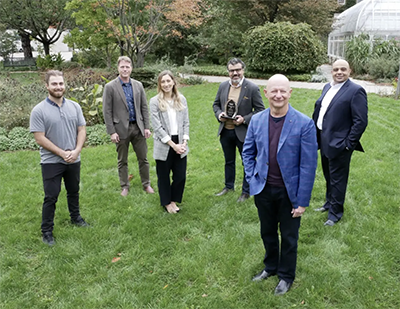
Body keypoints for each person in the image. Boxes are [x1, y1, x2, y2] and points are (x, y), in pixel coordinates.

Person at [242, 74, 318, 295]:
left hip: (290, 192)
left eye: (283, 91)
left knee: (289, 236)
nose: (278, 95)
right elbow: (248, 152)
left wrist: (302, 201)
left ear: (290, 93)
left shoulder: (304, 123)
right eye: (273, 91)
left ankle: (286, 275)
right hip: (263, 188)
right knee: (267, 232)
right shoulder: (257, 120)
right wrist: (251, 177)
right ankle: (271, 267)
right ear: (265, 93)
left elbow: (308, 166)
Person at [30, 70, 89, 246]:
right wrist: (62, 153)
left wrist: (77, 150)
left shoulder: (75, 107)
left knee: (73, 190)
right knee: (51, 196)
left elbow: (82, 130)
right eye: (54, 84)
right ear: (47, 86)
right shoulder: (39, 110)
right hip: (51, 161)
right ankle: (47, 231)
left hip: (73, 158)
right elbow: (40, 138)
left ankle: (76, 218)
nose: (58, 87)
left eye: (61, 83)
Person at [312, 59, 368, 226]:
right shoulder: (328, 87)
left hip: (340, 143)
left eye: (343, 69)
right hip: (324, 139)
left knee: (338, 178)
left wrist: (348, 144)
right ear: (332, 71)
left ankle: (335, 214)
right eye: (336, 69)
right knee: (328, 175)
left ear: (349, 71)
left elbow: (361, 121)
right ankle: (329, 203)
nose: (339, 72)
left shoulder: (356, 91)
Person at [213, 58, 265, 202]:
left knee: (246, 162)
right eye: (232, 70)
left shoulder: (252, 88)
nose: (235, 73)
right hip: (226, 131)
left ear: (243, 70)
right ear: (228, 72)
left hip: (244, 133)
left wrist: (245, 119)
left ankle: (246, 191)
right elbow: (216, 104)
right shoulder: (223, 86)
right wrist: (219, 115)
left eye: (237, 70)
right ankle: (228, 186)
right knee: (228, 161)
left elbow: (260, 110)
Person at [103, 56, 154, 196]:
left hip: (138, 127)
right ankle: (124, 186)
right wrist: (112, 131)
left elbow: (144, 107)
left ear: (131, 68)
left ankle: (146, 184)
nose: (125, 69)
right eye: (122, 67)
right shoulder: (110, 87)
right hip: (120, 129)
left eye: (127, 67)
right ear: (118, 68)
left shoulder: (138, 85)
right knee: (122, 160)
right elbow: (107, 111)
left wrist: (147, 127)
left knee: (143, 158)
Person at [149, 71, 190, 214]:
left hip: (180, 141)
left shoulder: (181, 99)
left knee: (180, 175)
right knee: (164, 175)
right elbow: (157, 127)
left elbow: (186, 122)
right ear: (159, 84)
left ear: (173, 82)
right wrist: (173, 145)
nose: (166, 84)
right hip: (164, 142)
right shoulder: (154, 101)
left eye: (168, 81)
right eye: (163, 82)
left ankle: (174, 200)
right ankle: (167, 202)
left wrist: (184, 142)